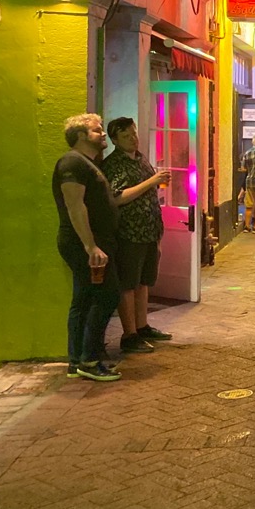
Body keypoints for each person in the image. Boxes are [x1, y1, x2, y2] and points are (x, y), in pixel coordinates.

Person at [54, 114, 123, 381]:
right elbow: (75, 205)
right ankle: (90, 360)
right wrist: (90, 246)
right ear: (81, 136)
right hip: (84, 244)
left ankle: (77, 360)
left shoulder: (87, 163)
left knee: (83, 300)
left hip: (93, 242)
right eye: (97, 131)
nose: (103, 134)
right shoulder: (72, 162)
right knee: (106, 296)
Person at [100, 117, 172, 355]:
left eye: (133, 133)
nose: (133, 139)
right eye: (126, 136)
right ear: (114, 140)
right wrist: (152, 181)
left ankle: (142, 326)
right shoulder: (114, 164)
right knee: (128, 283)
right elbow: (117, 197)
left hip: (149, 230)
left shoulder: (140, 158)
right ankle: (129, 334)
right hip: (130, 232)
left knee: (144, 280)